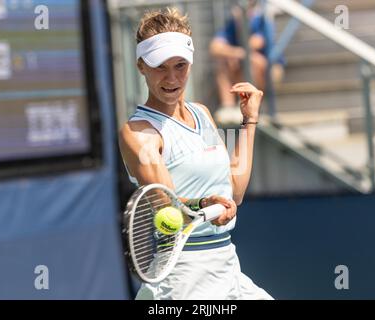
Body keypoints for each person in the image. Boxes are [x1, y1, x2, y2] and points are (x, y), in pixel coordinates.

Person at [119, 7, 273, 300]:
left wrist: (249, 121)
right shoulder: (139, 132)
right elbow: (167, 205)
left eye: (180, 65)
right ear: (141, 66)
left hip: (227, 267)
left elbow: (235, 191)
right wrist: (205, 202)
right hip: (182, 278)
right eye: (159, 66)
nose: (171, 77)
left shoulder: (201, 113)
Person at [209, 0, 285, 124]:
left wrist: (237, 54)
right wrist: (236, 54)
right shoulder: (233, 22)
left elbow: (257, 43)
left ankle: (250, 106)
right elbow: (215, 47)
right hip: (243, 66)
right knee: (223, 62)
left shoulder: (262, 19)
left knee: (253, 60)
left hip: (270, 69)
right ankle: (228, 107)